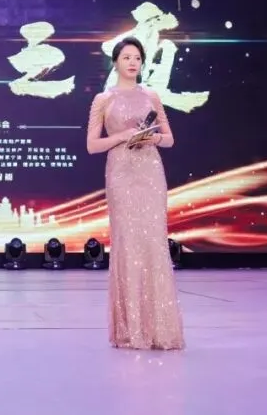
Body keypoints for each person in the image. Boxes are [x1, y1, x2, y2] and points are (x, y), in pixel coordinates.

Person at [86, 37, 185, 351]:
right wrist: (122, 136)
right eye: (127, 57)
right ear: (115, 61)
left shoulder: (151, 95)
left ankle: (159, 329)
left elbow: (169, 139)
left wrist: (152, 138)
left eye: (137, 58)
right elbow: (92, 145)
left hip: (150, 172)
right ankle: (131, 330)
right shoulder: (103, 99)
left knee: (154, 243)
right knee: (128, 244)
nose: (132, 63)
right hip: (121, 173)